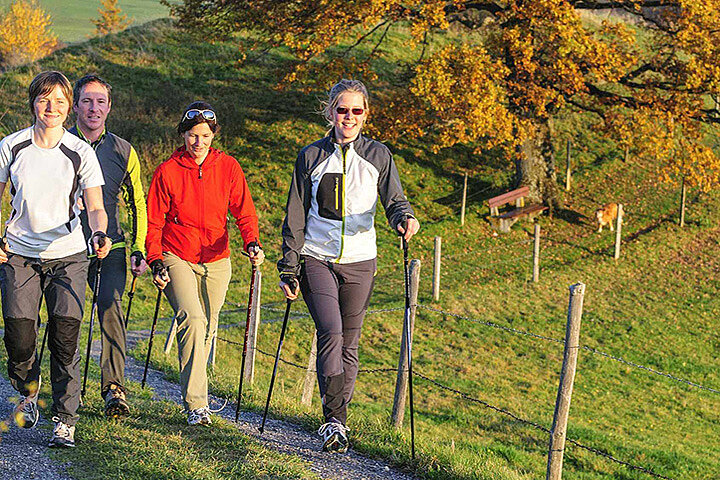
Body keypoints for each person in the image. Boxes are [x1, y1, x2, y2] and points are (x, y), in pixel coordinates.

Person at [278, 79, 420, 453]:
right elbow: (294, 214)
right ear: (330, 113)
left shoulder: (378, 155)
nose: (349, 117)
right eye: (343, 110)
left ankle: (338, 420)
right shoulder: (310, 157)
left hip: (361, 261)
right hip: (317, 257)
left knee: (350, 344)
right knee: (331, 332)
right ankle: (334, 420)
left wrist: (404, 219)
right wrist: (288, 265)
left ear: (366, 115)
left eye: (357, 111)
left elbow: (394, 201)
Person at [0, 71, 111, 448]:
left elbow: (95, 206)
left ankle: (65, 419)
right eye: (45, 100)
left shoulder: (80, 153)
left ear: (69, 107)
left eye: (60, 101)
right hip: (19, 255)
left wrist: (99, 232)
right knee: (18, 337)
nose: (52, 108)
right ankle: (29, 390)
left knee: (65, 337)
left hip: (68, 256)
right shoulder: (11, 146)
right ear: (33, 102)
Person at [146, 101, 264, 426]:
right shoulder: (167, 171)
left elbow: (244, 211)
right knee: (193, 319)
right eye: (193, 135)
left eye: (205, 135)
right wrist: (155, 260)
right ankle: (197, 405)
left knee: (209, 328)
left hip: (217, 258)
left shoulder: (228, 168)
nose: (199, 142)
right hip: (176, 254)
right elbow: (153, 222)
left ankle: (196, 395)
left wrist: (251, 241)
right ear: (183, 135)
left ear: (214, 135)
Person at [69, 74, 148, 418]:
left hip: (111, 246)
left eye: (100, 101)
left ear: (109, 107)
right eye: (87, 100)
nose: (93, 108)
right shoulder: (59, 144)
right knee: (66, 318)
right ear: (75, 105)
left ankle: (113, 388)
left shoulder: (124, 150)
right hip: (67, 247)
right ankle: (67, 386)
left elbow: (138, 202)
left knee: (111, 309)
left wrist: (139, 248)